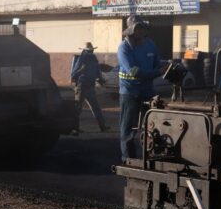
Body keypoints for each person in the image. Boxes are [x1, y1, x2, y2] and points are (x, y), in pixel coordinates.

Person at [117, 17, 164, 162]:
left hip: (148, 92)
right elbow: (133, 71)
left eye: (142, 28)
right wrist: (157, 73)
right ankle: (128, 160)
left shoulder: (150, 45)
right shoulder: (124, 48)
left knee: (151, 127)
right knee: (128, 129)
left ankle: (149, 158)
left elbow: (158, 63)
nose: (140, 31)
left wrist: (167, 65)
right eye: (137, 29)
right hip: (129, 93)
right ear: (131, 31)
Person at [69, 42, 107, 134]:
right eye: (89, 50)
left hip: (90, 87)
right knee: (78, 109)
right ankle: (74, 128)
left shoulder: (93, 58)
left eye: (92, 50)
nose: (91, 51)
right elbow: (73, 75)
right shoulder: (81, 59)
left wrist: (100, 79)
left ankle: (102, 127)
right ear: (85, 51)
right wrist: (80, 71)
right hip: (81, 87)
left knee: (96, 108)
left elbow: (97, 70)